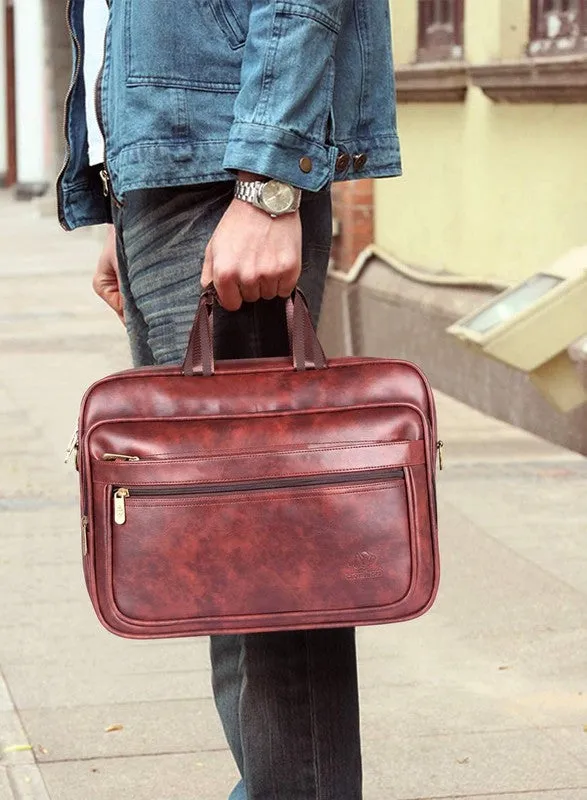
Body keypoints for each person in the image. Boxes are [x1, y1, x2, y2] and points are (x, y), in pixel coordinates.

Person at [59, 1, 401, 796]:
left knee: (276, 569)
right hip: (173, 172)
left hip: (227, 169)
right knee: (222, 560)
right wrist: (120, 182)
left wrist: (269, 182)